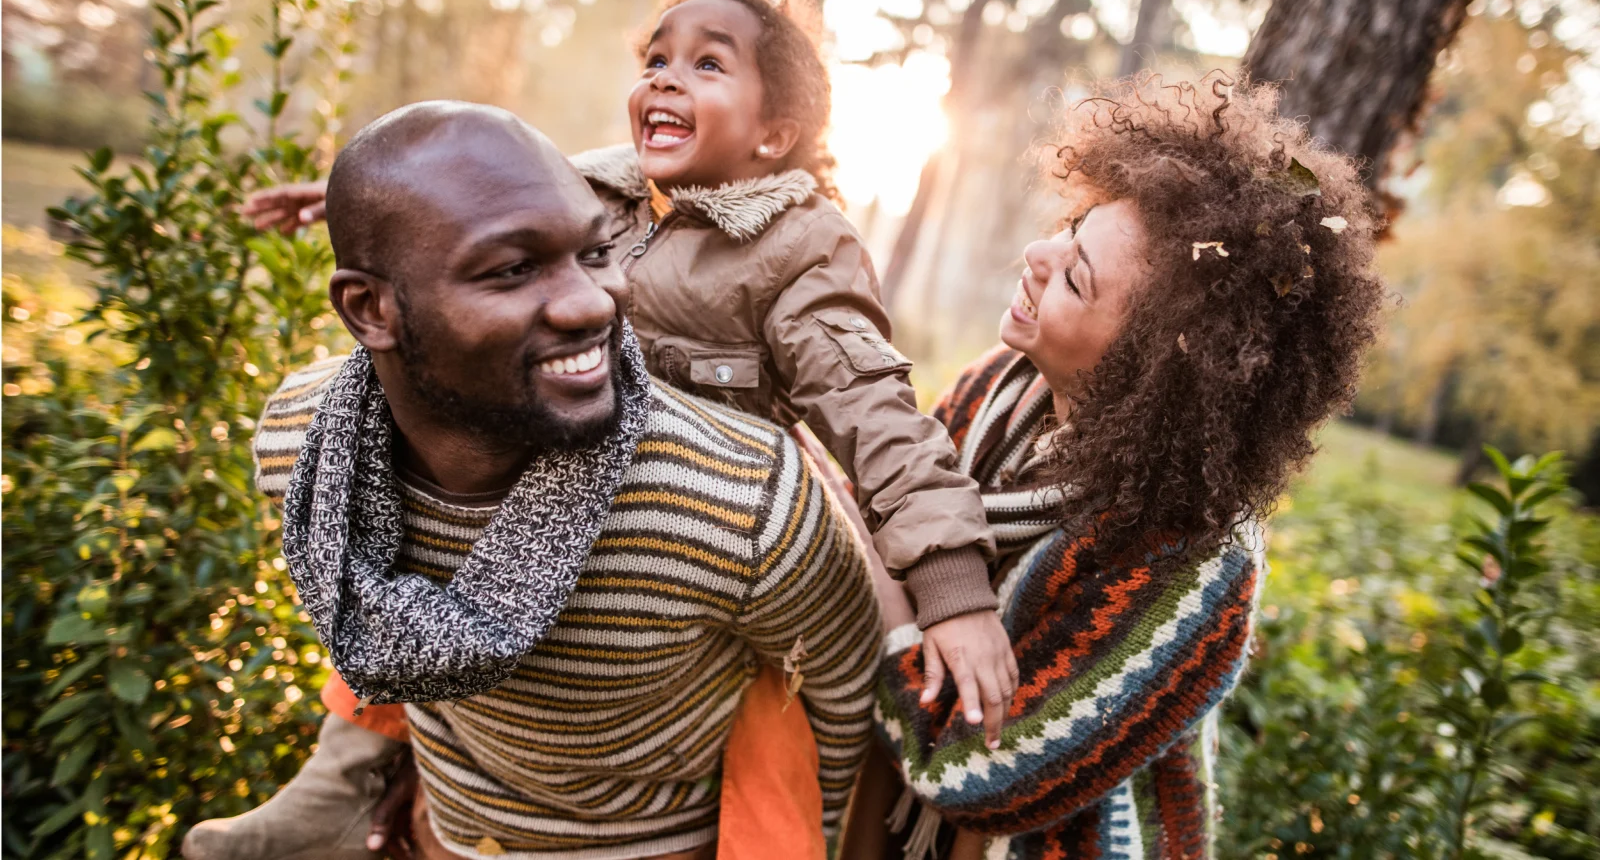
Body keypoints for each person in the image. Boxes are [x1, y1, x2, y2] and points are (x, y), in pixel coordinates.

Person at [185, 101, 881, 860]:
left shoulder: (742, 503)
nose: (592, 303)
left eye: (594, 253)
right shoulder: (304, 442)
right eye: (513, 269)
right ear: (370, 308)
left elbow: (841, 707)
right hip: (442, 833)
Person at [847, 74, 1385, 859]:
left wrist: (902, 591)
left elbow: (976, 778)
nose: (1036, 255)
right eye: (1073, 228)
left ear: (1150, 368)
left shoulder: (1194, 564)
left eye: (1075, 277)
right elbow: (883, 496)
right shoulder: (997, 388)